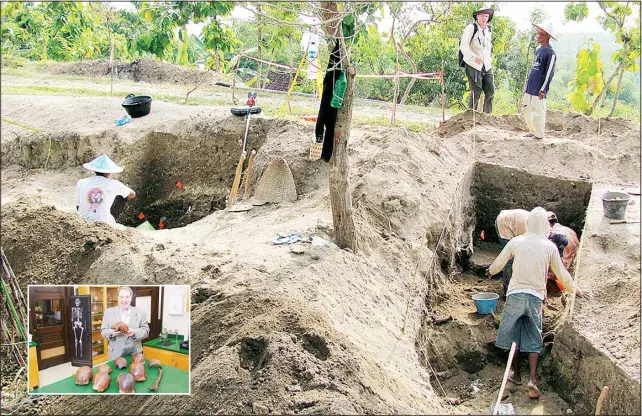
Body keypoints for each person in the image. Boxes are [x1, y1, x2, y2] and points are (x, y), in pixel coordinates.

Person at [486, 207, 585, 399]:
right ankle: (532, 379)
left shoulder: (517, 241)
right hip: (535, 298)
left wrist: (491, 271)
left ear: (529, 223)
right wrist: (575, 289)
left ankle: (515, 374)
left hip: (515, 295)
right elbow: (562, 273)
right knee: (533, 338)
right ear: (545, 226)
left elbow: (499, 263)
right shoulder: (550, 247)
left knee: (513, 335)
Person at [75, 153, 136, 226]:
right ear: (108, 173)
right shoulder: (114, 184)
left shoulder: (81, 182)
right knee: (123, 194)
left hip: (83, 220)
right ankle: (112, 220)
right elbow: (132, 194)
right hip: (104, 223)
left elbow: (78, 206)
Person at [522, 21, 557, 140]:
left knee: (538, 111)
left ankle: (539, 135)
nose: (538, 36)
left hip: (539, 88)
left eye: (541, 34)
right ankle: (533, 131)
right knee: (526, 109)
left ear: (546, 36)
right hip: (531, 86)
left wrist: (543, 89)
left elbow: (550, 73)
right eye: (538, 33)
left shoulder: (550, 53)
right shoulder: (538, 50)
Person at [459, 6, 495, 113]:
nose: (485, 18)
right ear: (477, 16)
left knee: (490, 90)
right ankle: (471, 115)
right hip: (473, 64)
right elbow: (463, 46)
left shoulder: (488, 29)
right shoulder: (471, 28)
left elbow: (487, 47)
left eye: (487, 16)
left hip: (486, 64)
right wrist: (474, 58)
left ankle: (487, 116)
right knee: (476, 90)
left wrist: (487, 58)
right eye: (482, 15)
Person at [100, 286, 149, 361]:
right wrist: (111, 333)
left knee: (136, 372)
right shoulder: (108, 312)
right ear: (118, 298)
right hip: (115, 354)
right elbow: (103, 331)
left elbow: (146, 331)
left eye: (127, 297)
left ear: (131, 298)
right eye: (121, 297)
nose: (124, 300)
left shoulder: (140, 312)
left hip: (135, 353)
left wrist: (135, 332)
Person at [495, 209, 530, 298]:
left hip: (509, 221)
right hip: (505, 224)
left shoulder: (538, 225)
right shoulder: (539, 232)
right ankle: (507, 292)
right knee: (510, 258)